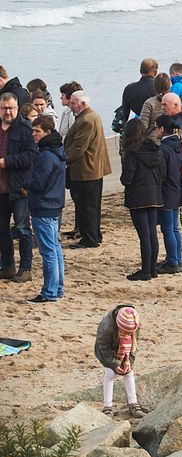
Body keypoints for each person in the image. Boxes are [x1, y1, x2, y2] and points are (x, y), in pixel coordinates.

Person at [24, 114, 66, 302]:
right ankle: (57, 289)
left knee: (49, 251)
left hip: (44, 206)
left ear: (47, 132)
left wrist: (25, 184)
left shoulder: (47, 154)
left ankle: (50, 292)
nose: (33, 134)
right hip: (53, 204)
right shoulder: (57, 149)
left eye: (37, 131)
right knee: (55, 249)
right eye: (33, 130)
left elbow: (39, 182)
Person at [118, 118, 163, 282]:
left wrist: (126, 180)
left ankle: (145, 271)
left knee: (144, 235)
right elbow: (162, 173)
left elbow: (127, 178)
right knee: (152, 233)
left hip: (138, 197)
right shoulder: (156, 149)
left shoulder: (132, 152)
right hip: (155, 194)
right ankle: (152, 269)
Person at [65, 91, 110, 249]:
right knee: (91, 205)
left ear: (82, 104)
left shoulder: (87, 120)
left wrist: (63, 159)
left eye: (73, 103)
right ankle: (93, 235)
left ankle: (89, 238)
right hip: (91, 169)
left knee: (87, 206)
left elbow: (78, 147)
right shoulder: (90, 117)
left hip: (86, 170)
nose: (71, 106)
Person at [0, 92, 36, 282]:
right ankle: (7, 266)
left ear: (17, 108)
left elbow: (31, 156)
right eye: (4, 108)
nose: (8, 112)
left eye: (11, 108)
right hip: (1, 190)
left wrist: (7, 162)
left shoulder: (24, 128)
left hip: (20, 188)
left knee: (22, 229)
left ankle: (26, 269)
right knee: (2, 229)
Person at [97, 305, 147, 417]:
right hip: (107, 351)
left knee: (129, 373)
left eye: (130, 333)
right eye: (125, 332)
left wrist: (129, 361)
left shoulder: (135, 322)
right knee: (110, 374)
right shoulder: (106, 327)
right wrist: (115, 364)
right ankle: (107, 406)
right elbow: (103, 347)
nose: (128, 334)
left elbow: (135, 345)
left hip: (127, 349)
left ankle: (133, 404)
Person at [155, 115, 182, 274]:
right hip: (177, 189)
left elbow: (161, 173)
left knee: (168, 228)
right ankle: (177, 258)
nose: (155, 131)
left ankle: (173, 261)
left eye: (156, 127)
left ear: (162, 129)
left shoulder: (164, 148)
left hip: (167, 191)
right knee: (174, 227)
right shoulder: (178, 145)